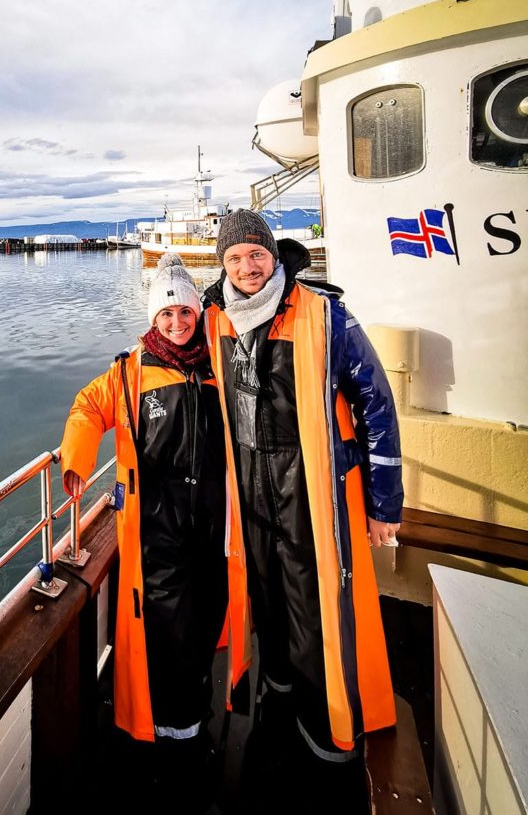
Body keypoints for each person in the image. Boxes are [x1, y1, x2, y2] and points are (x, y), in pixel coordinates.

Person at [201, 210, 403, 810]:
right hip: (252, 484)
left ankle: (325, 736)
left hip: (309, 484)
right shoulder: (218, 318)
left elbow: (376, 400)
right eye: (234, 258)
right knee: (266, 593)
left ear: (272, 254)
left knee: (313, 603)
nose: (246, 266)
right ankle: (281, 695)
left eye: (255, 254)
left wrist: (383, 504)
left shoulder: (323, 312)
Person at [59, 253, 249, 801]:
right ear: (154, 317)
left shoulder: (219, 363)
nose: (176, 322)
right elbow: (86, 407)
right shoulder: (130, 372)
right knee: (169, 639)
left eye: (184, 312)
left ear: (196, 312)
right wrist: (76, 457)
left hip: (213, 534)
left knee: (205, 628)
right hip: (159, 537)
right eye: (166, 314)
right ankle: (176, 745)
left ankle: (192, 728)